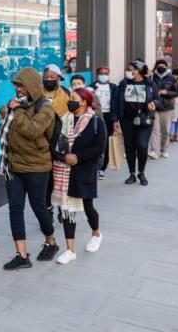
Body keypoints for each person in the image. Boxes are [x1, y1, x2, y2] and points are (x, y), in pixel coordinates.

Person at [0, 68, 59, 271]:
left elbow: (32, 131)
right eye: (16, 85)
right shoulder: (16, 106)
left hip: (36, 167)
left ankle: (51, 241)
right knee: (15, 209)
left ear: (32, 85)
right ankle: (22, 255)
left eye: (22, 85)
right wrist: (9, 111)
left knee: (39, 207)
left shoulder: (46, 108)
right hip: (13, 166)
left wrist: (17, 110)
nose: (18, 89)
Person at [51, 87, 106, 264]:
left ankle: (96, 233)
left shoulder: (96, 121)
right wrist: (63, 156)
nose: (70, 101)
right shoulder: (63, 120)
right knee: (67, 211)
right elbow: (53, 145)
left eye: (73, 98)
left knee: (88, 207)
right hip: (63, 171)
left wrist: (78, 158)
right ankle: (70, 250)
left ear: (83, 101)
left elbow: (99, 147)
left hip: (84, 172)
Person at [111, 59, 161, 186]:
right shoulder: (123, 83)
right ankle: (132, 173)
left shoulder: (150, 84)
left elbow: (158, 100)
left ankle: (141, 172)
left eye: (130, 69)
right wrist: (115, 119)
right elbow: (116, 102)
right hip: (127, 119)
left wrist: (153, 103)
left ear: (138, 70)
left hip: (145, 119)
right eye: (127, 69)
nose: (128, 72)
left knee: (142, 145)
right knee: (130, 147)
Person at [92, 67, 117, 180]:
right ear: (97, 74)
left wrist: (115, 120)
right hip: (94, 115)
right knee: (92, 140)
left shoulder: (113, 87)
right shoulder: (92, 86)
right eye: (101, 73)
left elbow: (116, 104)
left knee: (105, 142)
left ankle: (102, 168)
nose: (103, 75)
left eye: (106, 73)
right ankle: (93, 166)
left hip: (108, 116)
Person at [150, 60, 178, 160]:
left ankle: (164, 150)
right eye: (159, 65)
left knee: (165, 130)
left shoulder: (171, 78)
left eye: (163, 65)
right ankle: (154, 151)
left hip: (167, 107)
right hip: (155, 107)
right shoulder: (152, 77)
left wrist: (167, 92)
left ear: (166, 67)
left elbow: (177, 92)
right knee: (155, 130)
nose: (161, 67)